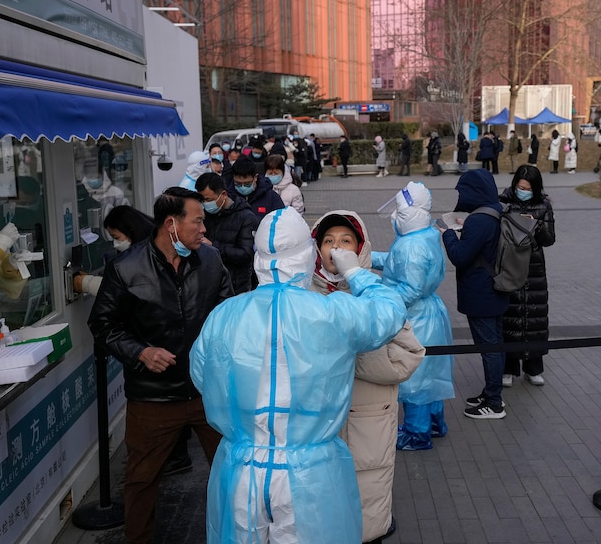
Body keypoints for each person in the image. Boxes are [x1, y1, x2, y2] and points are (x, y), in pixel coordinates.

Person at [189, 207, 407, 544]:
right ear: (309, 257)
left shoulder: (224, 315)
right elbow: (390, 312)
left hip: (240, 468)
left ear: (258, 260)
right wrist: (357, 273)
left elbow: (202, 376)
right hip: (311, 473)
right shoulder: (333, 312)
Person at [87, 186, 232, 544]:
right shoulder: (125, 268)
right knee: (140, 481)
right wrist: (140, 352)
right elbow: (102, 325)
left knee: (233, 473)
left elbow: (231, 313)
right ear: (171, 224)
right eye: (198, 221)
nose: (204, 230)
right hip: (152, 399)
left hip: (208, 394)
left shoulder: (211, 261)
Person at [310, 210, 424, 544]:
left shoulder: (380, 297)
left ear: (360, 249)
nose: (336, 248)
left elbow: (405, 358)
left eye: (346, 241)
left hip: (369, 419)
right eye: (328, 241)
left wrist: (343, 349)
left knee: (367, 503)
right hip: (318, 424)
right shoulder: (302, 294)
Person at [371, 182, 454, 451]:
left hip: (415, 318)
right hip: (430, 313)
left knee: (415, 380)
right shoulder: (424, 236)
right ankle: (434, 422)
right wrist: (367, 258)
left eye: (399, 211)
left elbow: (409, 288)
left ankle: (417, 434)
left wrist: (380, 300)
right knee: (429, 375)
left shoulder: (411, 247)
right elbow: (397, 264)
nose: (395, 217)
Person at [440, 170, 509, 419]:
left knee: (489, 347)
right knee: (496, 343)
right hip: (497, 288)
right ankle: (492, 390)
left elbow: (460, 256)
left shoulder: (478, 221)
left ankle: (494, 402)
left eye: (463, 191)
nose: (461, 196)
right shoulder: (496, 210)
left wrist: (447, 233)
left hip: (482, 292)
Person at [499, 165, 556, 388]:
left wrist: (536, 224)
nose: (523, 191)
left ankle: (534, 368)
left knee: (535, 317)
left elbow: (550, 239)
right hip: (510, 264)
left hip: (534, 268)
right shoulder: (504, 203)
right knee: (510, 317)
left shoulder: (544, 205)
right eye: (520, 187)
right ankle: (508, 369)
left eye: (527, 188)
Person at [195, 172, 258, 294]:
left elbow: (246, 254)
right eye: (202, 200)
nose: (205, 204)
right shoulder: (204, 215)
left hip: (235, 286)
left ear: (223, 194)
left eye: (209, 200)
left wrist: (213, 247)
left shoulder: (246, 218)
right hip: (209, 283)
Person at [229, 156, 285, 221]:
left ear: (255, 177)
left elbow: (281, 221)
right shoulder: (229, 197)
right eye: (238, 183)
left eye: (247, 184)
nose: (242, 187)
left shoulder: (271, 197)